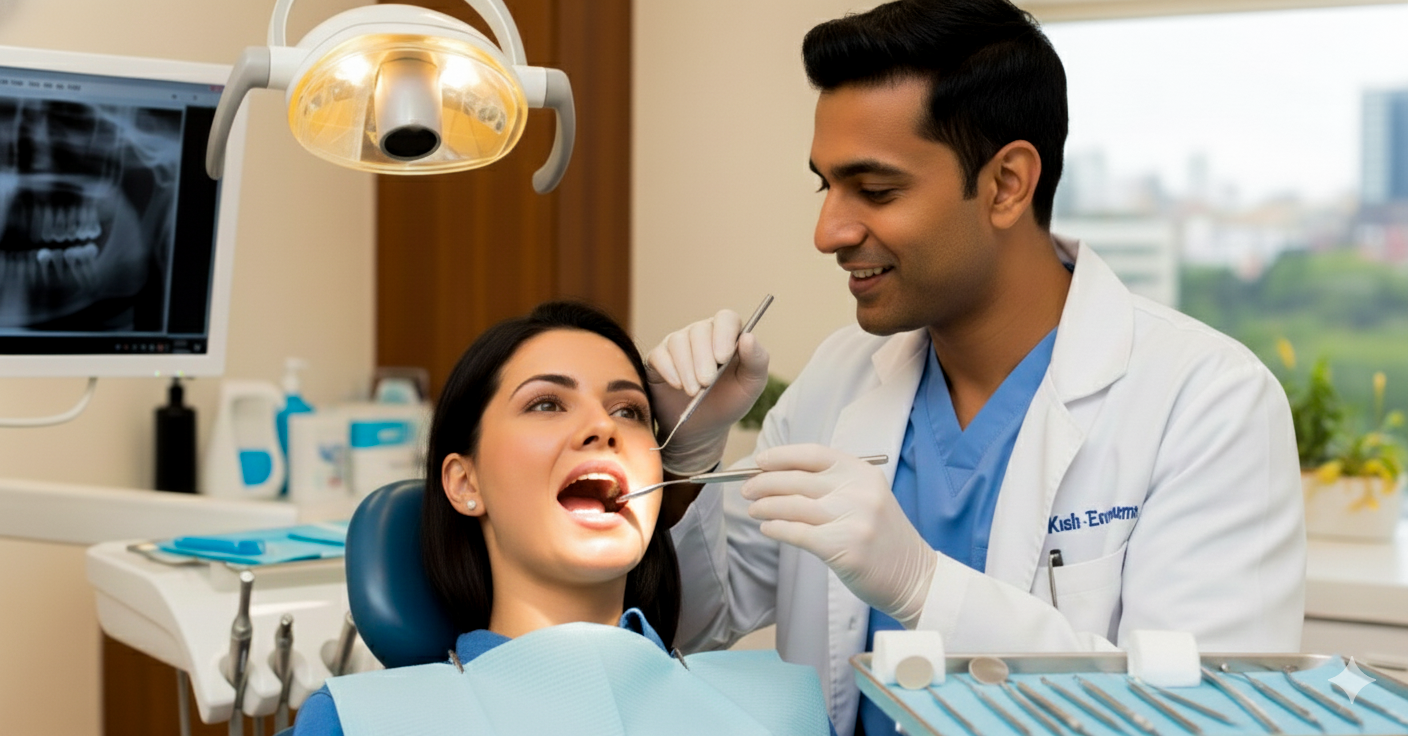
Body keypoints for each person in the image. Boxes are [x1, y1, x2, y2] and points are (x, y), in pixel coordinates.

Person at [647, 2, 1305, 734]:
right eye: (824, 185)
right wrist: (686, 462)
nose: (828, 230)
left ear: (1006, 184)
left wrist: (927, 590)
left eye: (875, 190)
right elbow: (698, 621)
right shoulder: (840, 377)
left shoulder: (1207, 401)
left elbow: (1213, 720)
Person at [293, 301, 827, 736]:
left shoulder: (783, 709)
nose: (602, 426)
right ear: (465, 482)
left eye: (629, 411)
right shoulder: (360, 721)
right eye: (547, 404)